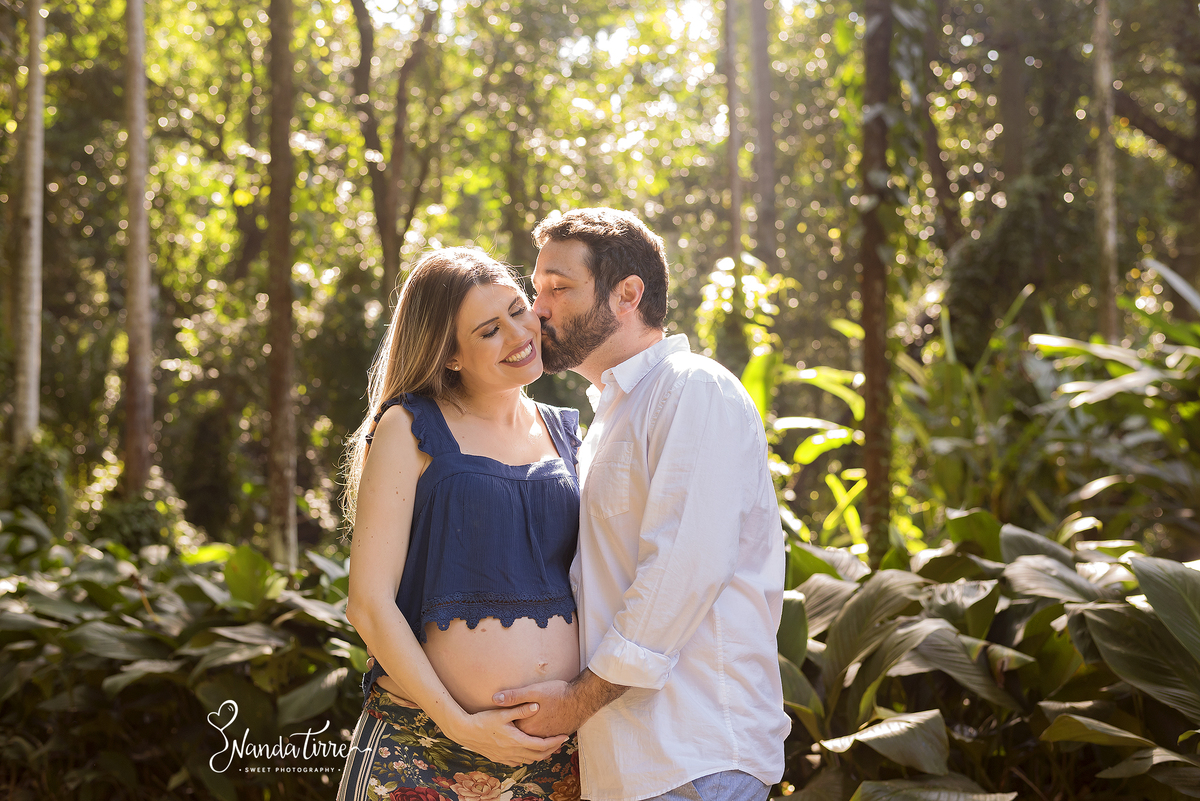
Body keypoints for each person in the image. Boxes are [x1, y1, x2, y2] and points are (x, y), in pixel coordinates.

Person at [493, 208, 790, 801]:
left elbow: (683, 571)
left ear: (627, 294)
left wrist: (575, 703)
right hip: (629, 768)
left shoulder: (691, 387)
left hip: (695, 759)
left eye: (558, 287)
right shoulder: (609, 418)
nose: (538, 307)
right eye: (536, 288)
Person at [339, 248, 584, 801]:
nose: (520, 334)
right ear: (450, 356)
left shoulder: (569, 434)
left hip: (552, 757)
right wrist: (458, 722)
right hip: (425, 745)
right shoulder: (408, 426)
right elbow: (368, 603)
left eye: (520, 311)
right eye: (489, 331)